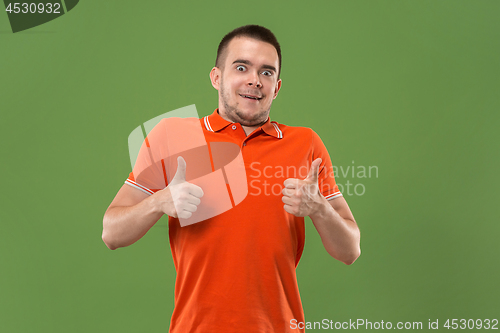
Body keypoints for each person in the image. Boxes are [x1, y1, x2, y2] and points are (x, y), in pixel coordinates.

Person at [102, 24, 360, 333]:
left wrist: (319, 208)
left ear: (276, 87)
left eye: (267, 72)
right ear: (216, 77)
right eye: (242, 67)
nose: (255, 80)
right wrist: (160, 201)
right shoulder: (171, 136)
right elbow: (112, 233)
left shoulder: (306, 144)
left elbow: (350, 250)